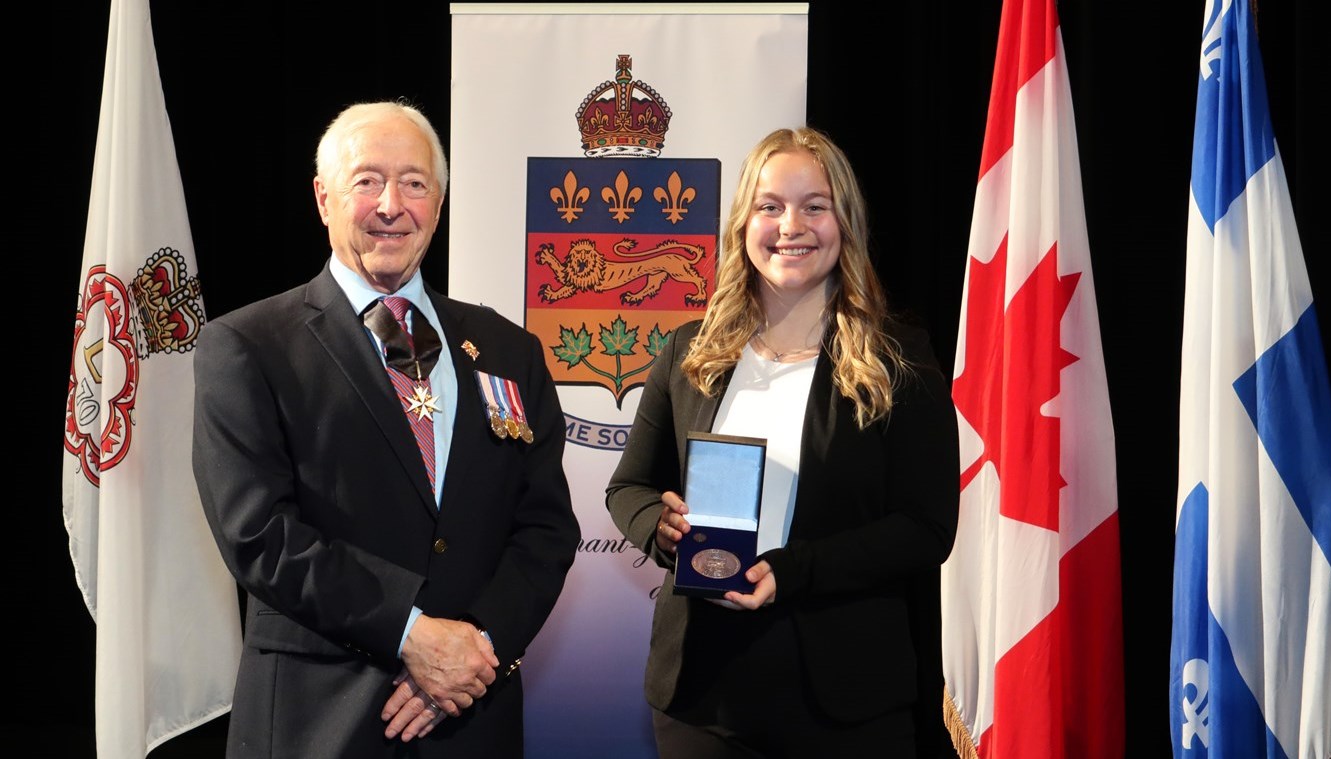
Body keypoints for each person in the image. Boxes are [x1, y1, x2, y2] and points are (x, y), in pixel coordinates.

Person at [192, 100, 579, 758]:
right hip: (319, 723)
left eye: (415, 182)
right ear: (323, 197)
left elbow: (545, 528)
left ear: (440, 198)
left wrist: (472, 649)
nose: (391, 205)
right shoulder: (248, 346)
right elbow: (260, 535)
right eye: (367, 180)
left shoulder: (507, 349)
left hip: (471, 720)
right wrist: (413, 635)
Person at [606, 127, 960, 758]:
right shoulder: (690, 351)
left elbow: (926, 527)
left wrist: (791, 572)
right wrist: (658, 528)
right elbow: (628, 486)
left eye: (814, 206)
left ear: (844, 222)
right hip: (700, 701)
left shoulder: (898, 360)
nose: (790, 225)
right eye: (770, 206)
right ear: (745, 223)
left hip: (847, 707)